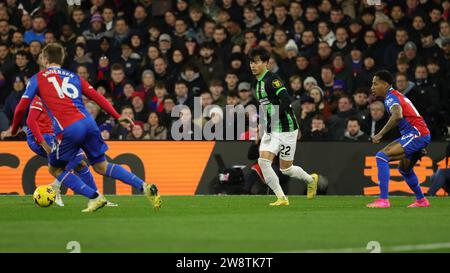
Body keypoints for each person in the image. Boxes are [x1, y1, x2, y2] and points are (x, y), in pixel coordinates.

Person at [10, 43, 161, 212]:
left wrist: (14, 129)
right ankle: (145, 186)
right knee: (101, 166)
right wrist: (117, 117)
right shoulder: (74, 77)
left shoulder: (39, 78)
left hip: (69, 129)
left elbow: (21, 108)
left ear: (44, 59)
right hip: (89, 123)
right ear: (63, 58)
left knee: (54, 168)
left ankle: (95, 197)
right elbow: (97, 97)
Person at [248, 47, 318, 206]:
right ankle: (281, 198)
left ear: (266, 63)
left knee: (286, 169)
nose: (253, 65)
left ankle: (310, 179)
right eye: (251, 62)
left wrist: (273, 118)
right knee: (263, 162)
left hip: (287, 128)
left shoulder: (272, 80)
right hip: (271, 129)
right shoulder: (257, 83)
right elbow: (266, 106)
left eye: (257, 62)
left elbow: (286, 101)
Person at [367, 70, 431, 208]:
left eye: (375, 84)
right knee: (405, 169)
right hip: (418, 134)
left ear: (385, 85)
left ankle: (383, 200)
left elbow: (398, 115)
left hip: (416, 133)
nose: (372, 87)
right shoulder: (394, 96)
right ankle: (421, 200)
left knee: (381, 156)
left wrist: (380, 134)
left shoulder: (391, 97)